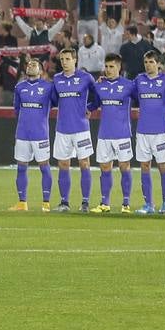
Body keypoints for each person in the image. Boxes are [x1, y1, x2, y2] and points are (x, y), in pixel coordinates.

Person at [48, 47, 95, 213]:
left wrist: (91, 107)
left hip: (81, 128)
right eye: (62, 60)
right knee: (63, 164)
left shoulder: (86, 78)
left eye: (68, 59)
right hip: (62, 128)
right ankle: (64, 202)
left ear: (75, 60)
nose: (64, 62)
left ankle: (85, 202)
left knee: (84, 163)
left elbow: (97, 95)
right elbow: (53, 100)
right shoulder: (57, 79)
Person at [89, 55, 135, 213]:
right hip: (104, 133)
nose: (108, 70)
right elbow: (94, 104)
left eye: (111, 67)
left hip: (122, 133)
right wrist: (86, 109)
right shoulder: (99, 85)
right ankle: (105, 203)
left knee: (124, 167)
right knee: (105, 167)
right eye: (106, 67)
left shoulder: (129, 85)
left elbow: (142, 99)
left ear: (119, 67)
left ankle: (126, 204)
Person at [9, 57, 54, 211]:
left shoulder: (48, 87)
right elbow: (16, 109)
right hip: (22, 133)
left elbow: (56, 103)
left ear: (41, 71)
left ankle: (46, 203)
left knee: (44, 167)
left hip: (40, 134)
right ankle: (22, 202)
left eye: (34, 65)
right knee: (21, 167)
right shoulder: (20, 87)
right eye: (29, 64)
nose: (31, 66)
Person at [133, 52, 165, 214]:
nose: (148, 65)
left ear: (158, 64)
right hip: (142, 131)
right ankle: (148, 204)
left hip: (160, 131)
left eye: (151, 62)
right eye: (146, 62)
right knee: (145, 166)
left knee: (163, 166)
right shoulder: (138, 80)